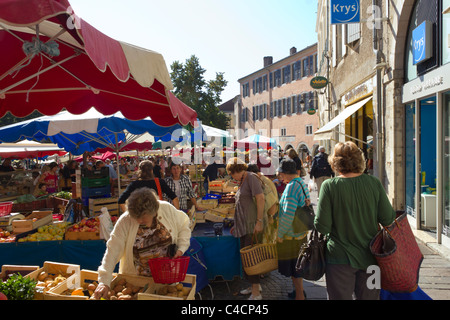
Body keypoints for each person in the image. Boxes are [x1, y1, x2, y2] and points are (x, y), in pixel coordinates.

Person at [314, 141, 396, 300]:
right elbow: (388, 219)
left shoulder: (329, 186)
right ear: (360, 160)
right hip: (372, 258)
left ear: (335, 162)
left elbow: (322, 227)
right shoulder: (374, 183)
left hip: (339, 260)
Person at [93, 187, 191, 299]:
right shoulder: (125, 221)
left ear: (154, 211)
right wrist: (104, 281)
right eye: (136, 217)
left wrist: (181, 248)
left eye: (143, 218)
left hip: (167, 280)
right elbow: (112, 250)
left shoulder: (166, 209)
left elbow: (184, 225)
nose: (139, 221)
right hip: (137, 284)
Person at [226, 157, 264, 300]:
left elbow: (260, 199)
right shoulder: (243, 179)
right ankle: (253, 286)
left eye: (232, 173)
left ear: (237, 170)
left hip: (250, 225)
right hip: (243, 225)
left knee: (251, 259)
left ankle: (256, 293)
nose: (231, 176)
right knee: (247, 259)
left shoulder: (251, 178)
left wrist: (259, 221)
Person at [276, 158, 310, 300]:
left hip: (292, 236)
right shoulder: (301, 182)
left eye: (281, 175)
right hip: (301, 233)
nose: (280, 178)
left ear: (286, 173)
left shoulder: (291, 187)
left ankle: (300, 296)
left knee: (295, 270)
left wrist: (280, 234)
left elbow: (288, 215)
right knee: (298, 268)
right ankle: (298, 292)